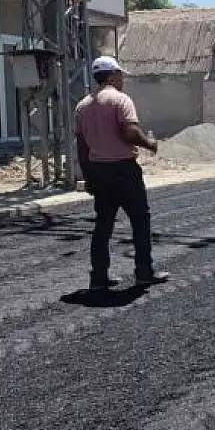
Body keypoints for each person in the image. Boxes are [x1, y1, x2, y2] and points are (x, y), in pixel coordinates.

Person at [75, 56, 169, 290]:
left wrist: (88, 177)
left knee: (103, 224)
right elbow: (130, 133)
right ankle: (144, 273)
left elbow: (82, 147)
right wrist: (150, 143)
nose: (122, 78)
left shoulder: (83, 106)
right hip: (124, 170)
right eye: (120, 74)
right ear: (112, 75)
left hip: (98, 171)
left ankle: (98, 278)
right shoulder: (121, 100)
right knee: (140, 221)